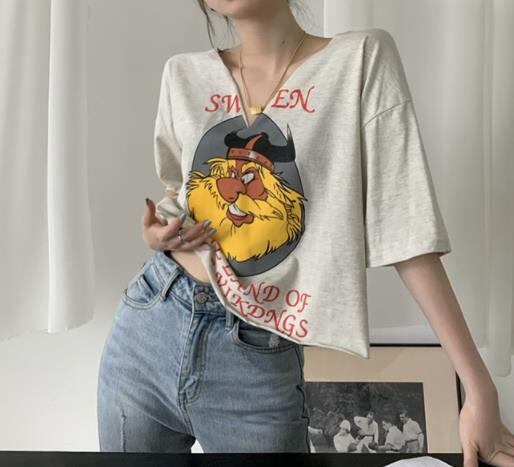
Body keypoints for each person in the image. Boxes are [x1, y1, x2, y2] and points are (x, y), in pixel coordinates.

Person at [97, 0, 514, 462]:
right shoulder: (182, 74)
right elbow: (180, 193)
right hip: (150, 321)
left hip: (257, 352)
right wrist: (158, 236)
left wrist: (479, 388)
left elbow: (407, 229)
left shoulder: (360, 60)